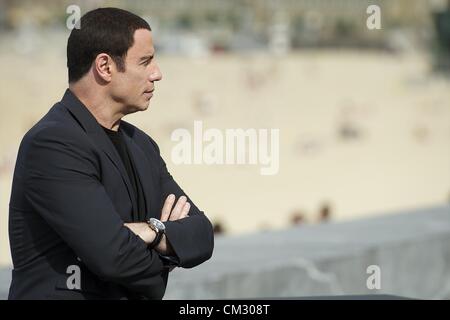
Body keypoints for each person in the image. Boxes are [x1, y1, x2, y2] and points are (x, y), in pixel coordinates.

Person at [8, 7, 214, 300]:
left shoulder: (141, 144)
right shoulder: (53, 143)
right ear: (104, 66)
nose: (157, 74)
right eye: (145, 62)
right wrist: (166, 240)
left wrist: (148, 232)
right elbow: (113, 257)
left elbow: (202, 234)